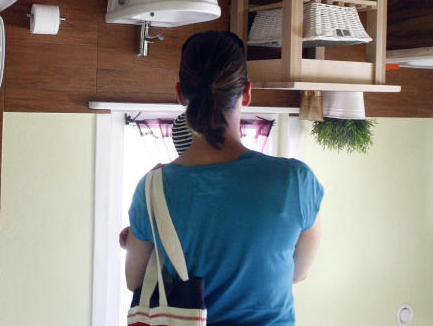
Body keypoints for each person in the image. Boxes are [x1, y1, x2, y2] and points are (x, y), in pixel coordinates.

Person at [124, 30, 323, 326]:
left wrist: (137, 240)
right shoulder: (296, 181)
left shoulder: (152, 189)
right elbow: (299, 271)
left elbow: (135, 280)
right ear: (247, 92)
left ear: (180, 93)